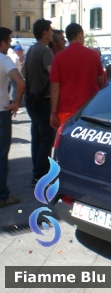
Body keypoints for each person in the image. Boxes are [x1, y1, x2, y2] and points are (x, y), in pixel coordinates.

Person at [50, 23, 104, 129]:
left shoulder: (58, 58)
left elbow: (55, 88)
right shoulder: (93, 55)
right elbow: (101, 81)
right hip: (89, 110)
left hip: (66, 110)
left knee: (67, 144)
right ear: (80, 35)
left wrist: (53, 112)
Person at [24, 19, 54, 188]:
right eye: (50, 30)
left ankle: (36, 173)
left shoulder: (31, 50)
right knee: (46, 139)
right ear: (44, 33)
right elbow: (53, 74)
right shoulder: (45, 51)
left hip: (31, 100)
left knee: (36, 138)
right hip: (43, 101)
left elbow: (23, 72)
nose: (51, 33)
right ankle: (40, 175)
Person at [0, 27, 26, 207]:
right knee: (1, 156)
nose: (10, 45)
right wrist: (16, 102)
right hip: (1, 113)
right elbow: (21, 82)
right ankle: (2, 196)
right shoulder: (4, 60)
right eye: (9, 41)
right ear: (2, 43)